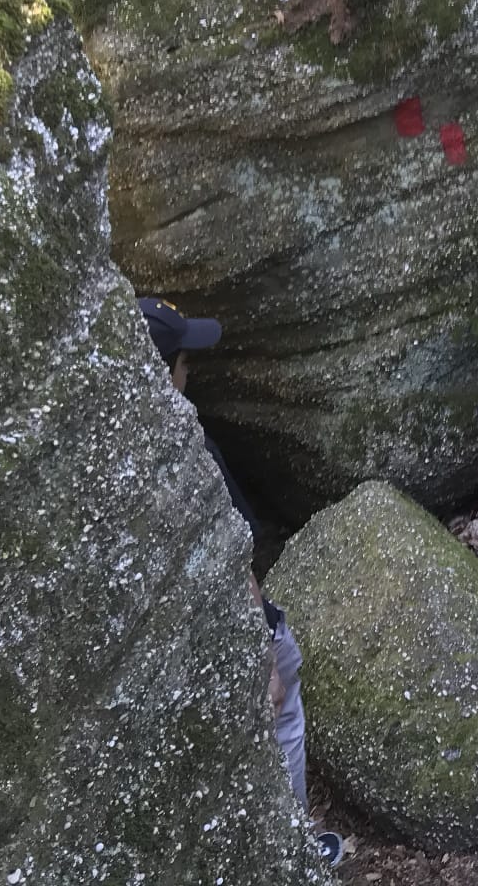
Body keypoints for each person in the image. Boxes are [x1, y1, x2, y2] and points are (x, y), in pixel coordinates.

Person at [139, 298, 346, 868]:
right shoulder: (190, 452)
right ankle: (296, 854)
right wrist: (266, 652)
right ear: (164, 371)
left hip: (172, 654)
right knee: (284, 713)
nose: (191, 372)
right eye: (185, 361)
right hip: (232, 627)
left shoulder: (114, 461)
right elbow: (235, 555)